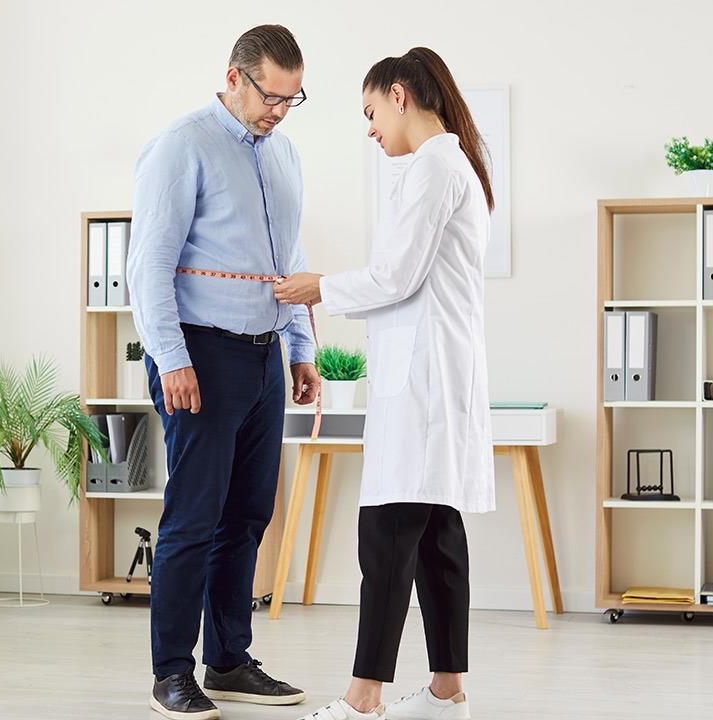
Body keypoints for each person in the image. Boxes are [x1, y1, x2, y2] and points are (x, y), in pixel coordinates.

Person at [273, 46, 497, 720]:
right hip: (432, 376)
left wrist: (318, 286)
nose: (369, 128)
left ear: (400, 96)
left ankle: (363, 698)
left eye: (371, 111)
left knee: (389, 534)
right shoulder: (448, 165)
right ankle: (447, 690)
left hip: (424, 382)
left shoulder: (435, 167)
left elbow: (396, 276)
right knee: (436, 536)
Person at [126, 23, 320, 720]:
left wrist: (299, 349)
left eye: (293, 99)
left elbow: (289, 259)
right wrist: (171, 357)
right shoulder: (182, 146)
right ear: (234, 77)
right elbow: (148, 264)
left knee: (247, 515)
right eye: (271, 96)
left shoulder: (284, 153)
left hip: (263, 356)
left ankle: (230, 660)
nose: (280, 111)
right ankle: (171, 674)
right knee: (194, 517)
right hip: (199, 354)